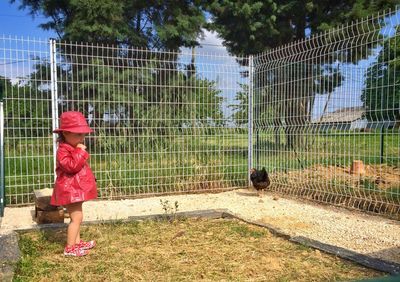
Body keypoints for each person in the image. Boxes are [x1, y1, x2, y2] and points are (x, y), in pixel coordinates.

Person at [50, 111, 97, 257]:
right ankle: (70, 248)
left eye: (83, 135)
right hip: (70, 191)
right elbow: (71, 166)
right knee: (76, 218)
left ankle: (77, 243)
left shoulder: (71, 148)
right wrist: (80, 153)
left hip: (75, 190)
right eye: (78, 135)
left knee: (76, 217)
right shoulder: (63, 150)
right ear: (65, 133)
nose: (82, 138)